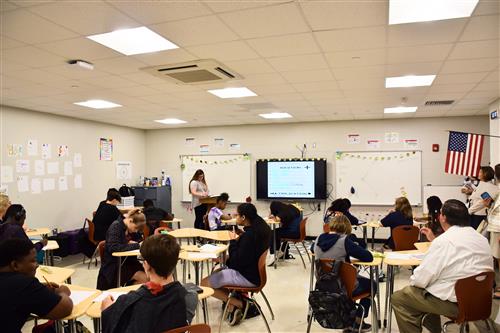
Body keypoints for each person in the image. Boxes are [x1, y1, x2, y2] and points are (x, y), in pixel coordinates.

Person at [391, 199, 493, 333]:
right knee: (427, 291)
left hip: (457, 304)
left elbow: (421, 279)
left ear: (442, 217)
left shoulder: (444, 241)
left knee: (400, 298)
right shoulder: (481, 239)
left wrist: (415, 282)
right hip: (482, 302)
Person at [101, 234, 197, 333]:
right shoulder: (189, 297)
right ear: (175, 263)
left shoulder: (129, 302)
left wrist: (107, 311)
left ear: (146, 265)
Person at [201, 203, 271, 326]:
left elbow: (235, 264)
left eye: (237, 215)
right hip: (253, 272)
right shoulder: (259, 228)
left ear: (244, 217)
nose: (235, 216)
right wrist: (227, 258)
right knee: (218, 272)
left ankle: (240, 304)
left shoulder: (249, 237)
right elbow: (244, 256)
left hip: (247, 277)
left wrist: (233, 241)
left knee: (204, 284)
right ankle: (233, 305)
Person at [312, 215, 375, 332]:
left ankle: (348, 318)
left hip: (323, 285)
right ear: (347, 228)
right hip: (343, 287)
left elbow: (312, 250)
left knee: (352, 279)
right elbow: (368, 257)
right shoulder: (344, 241)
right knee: (372, 284)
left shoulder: (318, 239)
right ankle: (358, 320)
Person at [0, 238, 73, 332]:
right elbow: (65, 308)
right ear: (15, 265)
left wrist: (39, 288)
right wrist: (62, 292)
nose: (37, 265)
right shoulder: (23, 284)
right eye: (33, 260)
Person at [97, 209, 148, 290]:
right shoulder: (116, 226)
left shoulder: (130, 228)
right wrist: (136, 245)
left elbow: (138, 241)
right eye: (136, 228)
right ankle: (128, 296)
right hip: (114, 267)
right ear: (130, 221)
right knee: (145, 278)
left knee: (148, 276)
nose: (136, 231)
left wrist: (135, 243)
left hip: (126, 262)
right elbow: (114, 248)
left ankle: (129, 295)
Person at [485, 164, 500, 298]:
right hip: (495, 227)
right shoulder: (497, 190)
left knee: (497, 257)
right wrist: (488, 204)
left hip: (498, 228)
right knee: (496, 256)